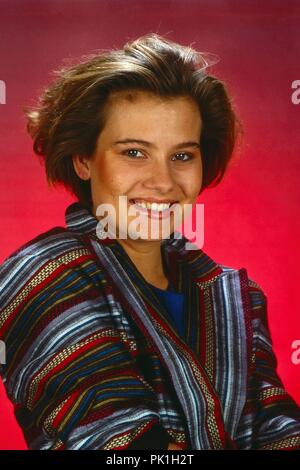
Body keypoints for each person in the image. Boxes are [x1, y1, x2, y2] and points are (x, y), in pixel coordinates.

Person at [0, 33, 300, 451]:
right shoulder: (42, 275)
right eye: (134, 153)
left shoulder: (237, 296)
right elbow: (126, 446)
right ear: (84, 159)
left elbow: (278, 429)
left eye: (182, 156)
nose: (162, 182)